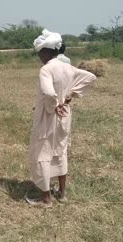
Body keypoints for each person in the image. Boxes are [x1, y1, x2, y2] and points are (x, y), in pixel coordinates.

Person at [26, 29, 96, 207]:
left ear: (45, 51)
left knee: (42, 152)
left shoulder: (46, 69)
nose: (40, 57)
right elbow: (90, 77)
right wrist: (70, 95)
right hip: (64, 117)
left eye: (40, 53)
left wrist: (54, 105)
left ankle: (46, 198)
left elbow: (49, 92)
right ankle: (62, 193)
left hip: (47, 118)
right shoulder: (68, 67)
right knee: (60, 151)